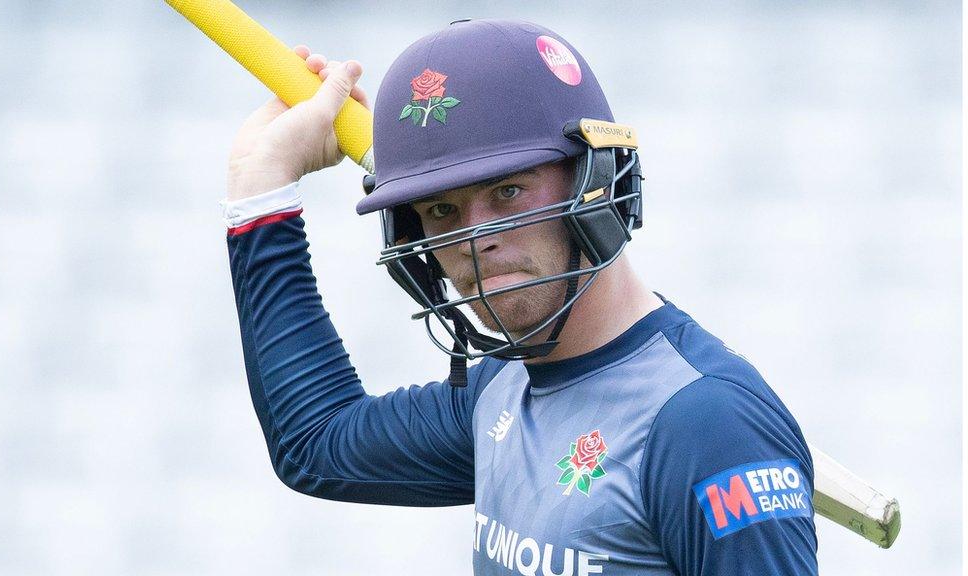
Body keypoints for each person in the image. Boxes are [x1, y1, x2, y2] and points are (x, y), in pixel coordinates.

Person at [221, 19, 818, 576]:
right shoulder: (501, 390)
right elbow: (316, 443)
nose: (476, 238)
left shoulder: (707, 426)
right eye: (442, 210)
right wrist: (261, 190)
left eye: (507, 191)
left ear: (598, 181)